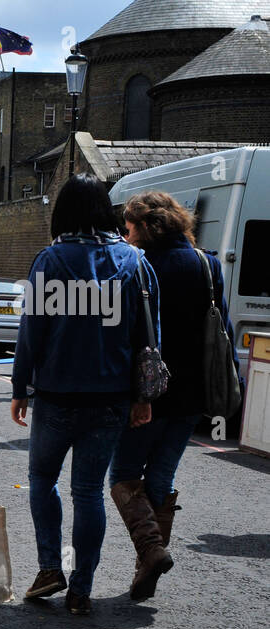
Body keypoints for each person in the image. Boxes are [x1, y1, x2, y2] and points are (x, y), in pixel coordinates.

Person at [11, 174, 160, 616]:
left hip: (57, 395)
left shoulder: (50, 261)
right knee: (89, 491)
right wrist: (142, 396)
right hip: (111, 398)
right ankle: (81, 590)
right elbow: (149, 337)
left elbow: (30, 332)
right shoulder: (136, 262)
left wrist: (20, 387)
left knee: (42, 480)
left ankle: (49, 567)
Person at [110, 191, 234, 600]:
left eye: (129, 229)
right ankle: (148, 562)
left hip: (148, 390)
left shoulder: (141, 264)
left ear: (147, 226)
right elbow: (221, 328)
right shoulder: (207, 264)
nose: (126, 237)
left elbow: (128, 332)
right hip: (193, 391)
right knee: (161, 475)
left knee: (125, 474)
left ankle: (150, 551)